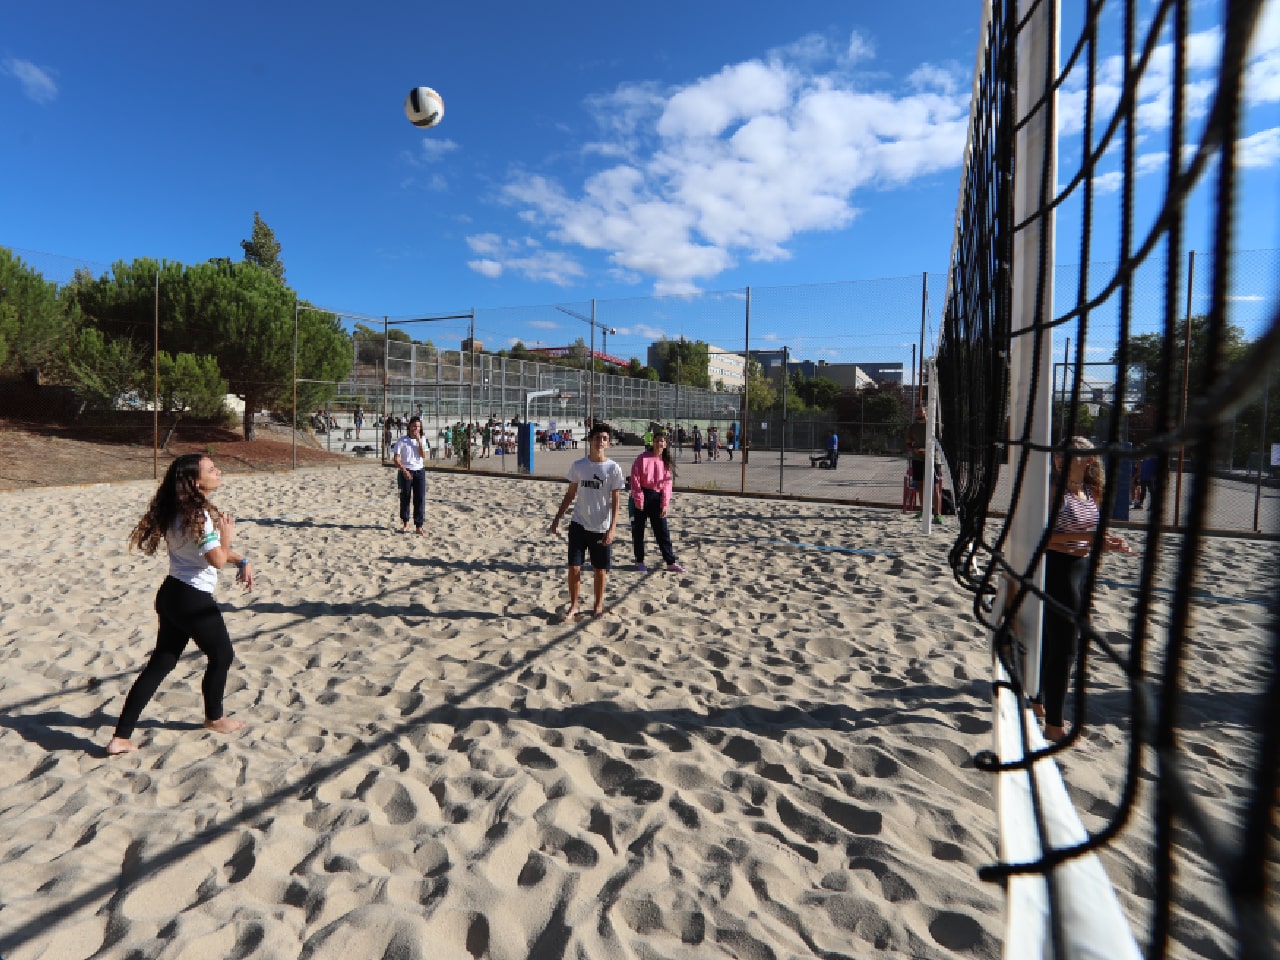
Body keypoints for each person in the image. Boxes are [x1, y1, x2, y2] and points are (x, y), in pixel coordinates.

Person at [106, 454, 252, 756]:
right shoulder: (199, 515)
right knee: (222, 655)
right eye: (212, 469)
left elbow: (207, 552)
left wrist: (243, 560)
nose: (218, 471)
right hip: (192, 599)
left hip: (171, 594)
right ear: (196, 481)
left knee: (162, 662)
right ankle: (215, 718)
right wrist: (227, 538)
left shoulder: (181, 511)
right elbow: (216, 559)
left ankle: (120, 737)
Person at [1039, 437, 1132, 742]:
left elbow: (1090, 533)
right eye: (1060, 455)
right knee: (1064, 648)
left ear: (1089, 461)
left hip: (1079, 570)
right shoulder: (1055, 492)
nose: (1062, 459)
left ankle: (1039, 701)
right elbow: (1044, 540)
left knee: (1054, 643)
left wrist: (1110, 542)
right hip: (1057, 570)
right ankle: (1054, 724)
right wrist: (1092, 539)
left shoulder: (1090, 492)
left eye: (1072, 455)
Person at [548, 423, 624, 621]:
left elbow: (616, 500)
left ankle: (598, 606)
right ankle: (574, 605)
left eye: (604, 438)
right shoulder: (579, 466)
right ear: (590, 440)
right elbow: (570, 494)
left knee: (600, 570)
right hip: (578, 523)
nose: (600, 441)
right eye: (597, 437)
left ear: (608, 443)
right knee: (574, 567)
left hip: (601, 526)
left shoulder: (613, 468)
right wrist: (557, 518)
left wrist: (613, 527)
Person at [630, 430, 685, 573]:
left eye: (662, 441)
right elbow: (634, 479)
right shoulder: (642, 458)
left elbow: (667, 485)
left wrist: (664, 504)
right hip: (642, 495)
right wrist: (638, 498)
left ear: (666, 444)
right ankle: (640, 561)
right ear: (653, 442)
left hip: (657, 498)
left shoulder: (665, 461)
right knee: (639, 532)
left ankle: (670, 561)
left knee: (662, 531)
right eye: (657, 440)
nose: (659, 443)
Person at [906, 405, 944, 522]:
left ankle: (937, 515)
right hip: (918, 459)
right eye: (916, 411)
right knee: (921, 485)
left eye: (920, 411)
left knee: (935, 487)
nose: (918, 413)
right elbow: (908, 443)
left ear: (925, 411)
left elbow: (940, 443)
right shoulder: (913, 427)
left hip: (933, 460)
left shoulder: (935, 426)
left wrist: (930, 450)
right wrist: (914, 450)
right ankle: (923, 511)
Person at [393, 416, 429, 535]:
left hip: (419, 471)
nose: (416, 428)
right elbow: (396, 459)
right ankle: (406, 523)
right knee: (405, 497)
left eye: (418, 426)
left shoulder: (422, 439)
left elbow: (424, 456)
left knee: (419, 498)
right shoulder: (402, 440)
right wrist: (404, 470)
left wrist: (419, 441)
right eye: (414, 426)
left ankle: (419, 526)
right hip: (406, 471)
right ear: (409, 427)